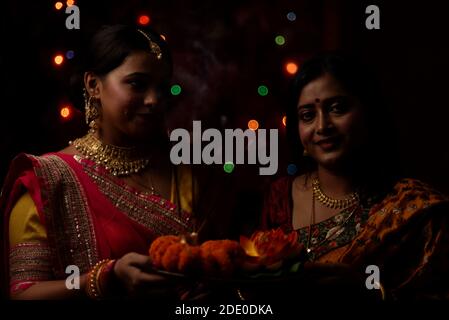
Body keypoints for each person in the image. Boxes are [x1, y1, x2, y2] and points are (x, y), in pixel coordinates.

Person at [0, 25, 199, 299]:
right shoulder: (49, 179)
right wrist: (104, 278)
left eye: (162, 88)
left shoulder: (186, 168)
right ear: (94, 85)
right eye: (137, 84)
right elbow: (24, 293)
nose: (154, 100)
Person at [261, 53, 449, 301]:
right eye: (308, 115)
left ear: (369, 114)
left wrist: (370, 294)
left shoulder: (415, 209)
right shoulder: (280, 197)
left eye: (337, 108)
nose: (322, 126)